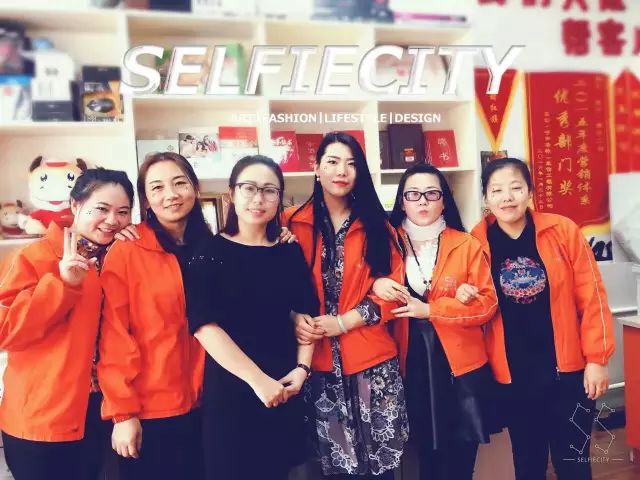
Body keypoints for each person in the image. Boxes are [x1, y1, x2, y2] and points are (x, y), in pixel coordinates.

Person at [470, 157, 614, 480]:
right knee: (528, 463)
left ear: (530, 192)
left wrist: (597, 359)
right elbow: (475, 305)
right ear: (486, 198)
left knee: (574, 463)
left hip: (568, 373)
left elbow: (592, 296)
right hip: (513, 377)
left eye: (516, 187)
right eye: (497, 190)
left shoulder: (562, 231)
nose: (507, 197)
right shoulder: (476, 243)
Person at [184, 155, 319, 480]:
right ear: (232, 193)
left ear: (279, 198)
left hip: (284, 385)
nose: (258, 199)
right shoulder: (208, 252)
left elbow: (306, 312)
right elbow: (204, 326)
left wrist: (302, 369)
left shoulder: (288, 250)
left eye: (269, 190)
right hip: (232, 391)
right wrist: (258, 381)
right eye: (249, 188)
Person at [286, 131, 408, 480]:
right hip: (317, 365)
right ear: (316, 168)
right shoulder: (291, 223)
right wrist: (293, 317)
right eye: (332, 162)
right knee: (334, 469)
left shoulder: (377, 225)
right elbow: (275, 285)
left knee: (382, 469)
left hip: (373, 363)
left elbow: (395, 290)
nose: (341, 171)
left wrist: (344, 321)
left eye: (351, 164)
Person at [0, 168, 135, 480]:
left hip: (101, 414)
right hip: (41, 421)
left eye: (122, 212)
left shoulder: (117, 259)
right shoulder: (34, 256)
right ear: (75, 205)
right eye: (101, 209)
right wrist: (62, 285)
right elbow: (5, 331)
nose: (112, 220)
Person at [372, 163, 498, 480]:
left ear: (444, 201)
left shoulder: (466, 244)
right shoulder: (385, 243)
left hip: (461, 369)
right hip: (409, 365)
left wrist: (432, 310)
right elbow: (363, 292)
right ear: (402, 202)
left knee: (461, 460)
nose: (423, 201)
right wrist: (377, 284)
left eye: (431, 193)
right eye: (413, 194)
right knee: (426, 459)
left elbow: (487, 305)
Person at [98, 152, 208, 480]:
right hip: (150, 410)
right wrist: (122, 413)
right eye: (157, 187)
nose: (170, 194)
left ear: (195, 188)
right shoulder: (128, 250)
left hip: (209, 404)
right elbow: (114, 336)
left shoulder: (213, 248)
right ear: (146, 200)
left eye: (179, 183)